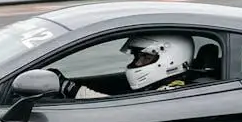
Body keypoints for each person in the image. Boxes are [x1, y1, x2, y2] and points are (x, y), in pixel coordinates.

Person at [51, 33, 194, 99]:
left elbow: (113, 109)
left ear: (171, 59)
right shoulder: (155, 86)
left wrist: (72, 89)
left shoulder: (171, 93)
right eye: (137, 57)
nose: (137, 64)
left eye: (145, 57)